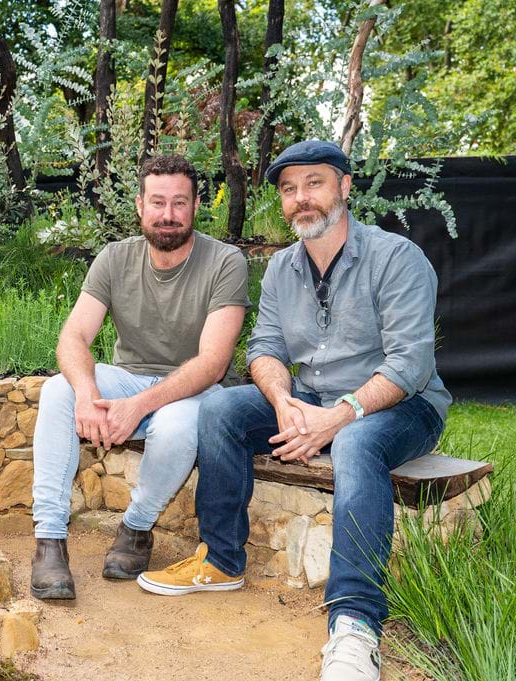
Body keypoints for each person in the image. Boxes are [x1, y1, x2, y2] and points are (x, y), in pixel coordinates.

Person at [136, 140, 451, 681]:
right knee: (221, 409)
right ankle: (221, 561)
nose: (301, 198)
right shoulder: (283, 267)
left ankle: (355, 623)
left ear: (344, 187)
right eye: (289, 189)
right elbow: (264, 348)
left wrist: (339, 417)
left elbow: (410, 364)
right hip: (312, 398)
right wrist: (283, 402)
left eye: (314, 183)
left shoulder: (396, 258)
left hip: (405, 406)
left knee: (355, 441)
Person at [30, 154, 250, 600]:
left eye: (179, 203)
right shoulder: (115, 258)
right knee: (57, 390)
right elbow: (73, 337)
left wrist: (139, 406)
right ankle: (49, 539)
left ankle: (135, 529)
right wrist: (87, 393)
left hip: (194, 391)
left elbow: (213, 362)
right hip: (129, 378)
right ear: (140, 205)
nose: (168, 214)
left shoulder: (226, 261)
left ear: (196, 205)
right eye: (158, 202)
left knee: (176, 424)